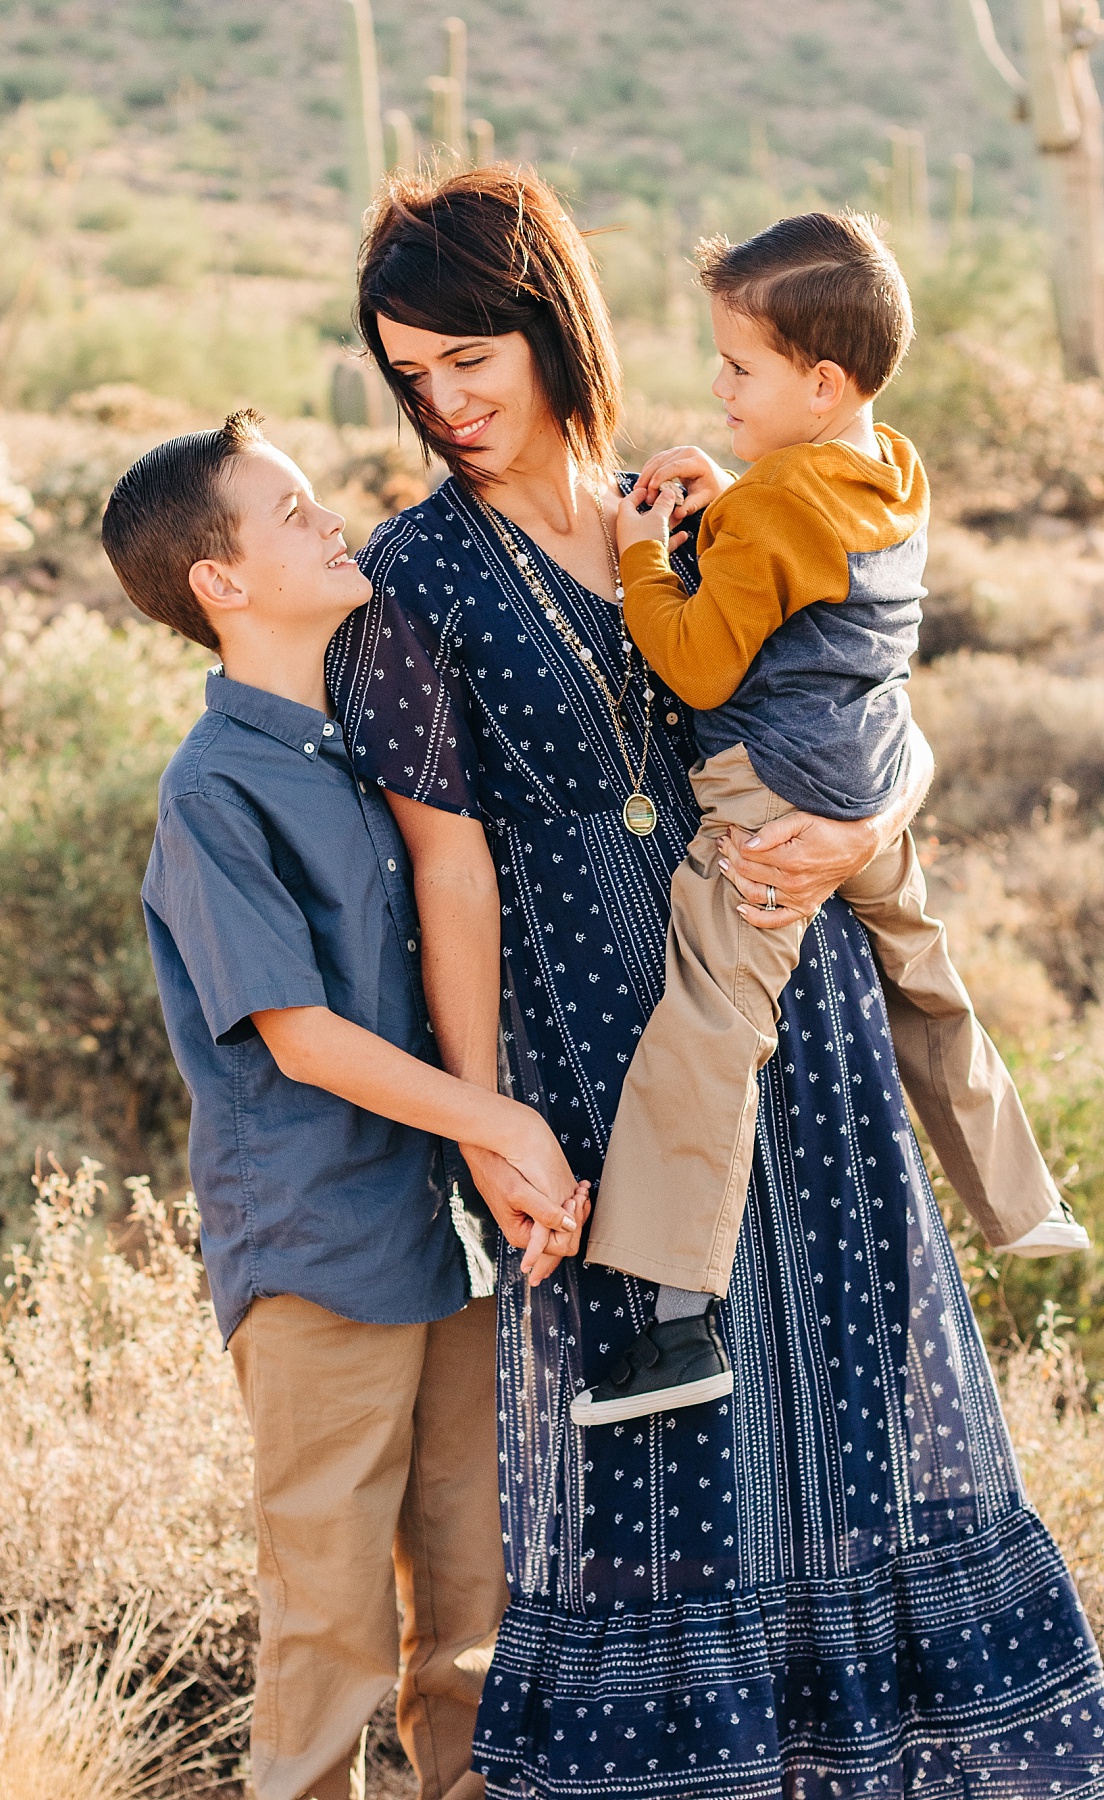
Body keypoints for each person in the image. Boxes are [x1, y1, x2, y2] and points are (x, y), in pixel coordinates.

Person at [330, 165, 1104, 1800]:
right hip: (602, 1074)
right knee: (656, 1467)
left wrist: (869, 823)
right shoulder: (412, 581)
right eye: (412, 376)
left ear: (548, 325)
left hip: (793, 1027)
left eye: (469, 357)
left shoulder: (711, 507)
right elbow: (446, 870)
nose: (445, 402)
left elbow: (864, 714)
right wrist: (486, 1121)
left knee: (844, 1428)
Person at [100, 411, 588, 1800]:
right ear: (223, 582)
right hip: (317, 1255)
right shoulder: (213, 790)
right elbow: (302, 1038)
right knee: (329, 1634)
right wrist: (497, 1125)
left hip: (446, 1249)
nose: (332, 521)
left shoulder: (370, 751)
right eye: (294, 509)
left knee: (474, 1626)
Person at [577, 211, 1088, 1426]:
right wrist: (740, 491)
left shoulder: (765, 512)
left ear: (819, 379)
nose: (718, 386)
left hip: (769, 793)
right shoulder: (893, 467)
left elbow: (699, 665)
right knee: (927, 975)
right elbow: (806, 537)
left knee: (712, 1019)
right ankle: (1024, 1205)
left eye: (739, 369)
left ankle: (676, 1324)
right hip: (866, 780)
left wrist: (649, 557)